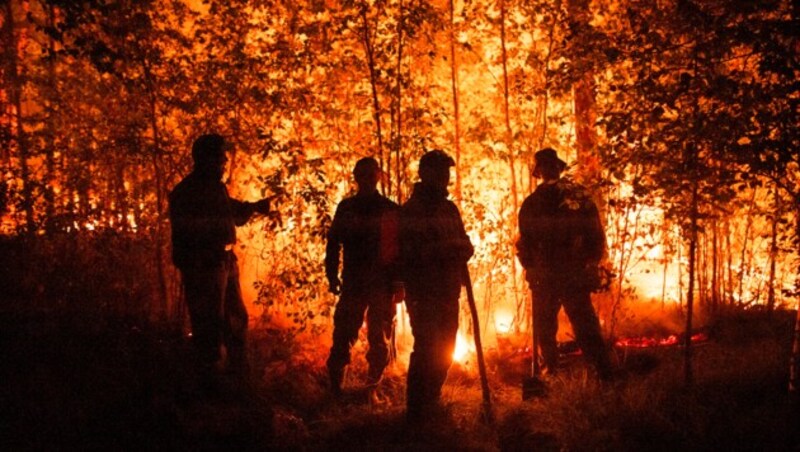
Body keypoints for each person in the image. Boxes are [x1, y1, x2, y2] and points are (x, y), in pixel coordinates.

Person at [168, 133, 275, 389]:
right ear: (205, 159)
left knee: (235, 318)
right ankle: (209, 384)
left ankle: (237, 377)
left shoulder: (215, 187)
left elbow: (232, 211)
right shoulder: (186, 193)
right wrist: (198, 265)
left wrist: (255, 207)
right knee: (209, 323)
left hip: (224, 261)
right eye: (220, 157)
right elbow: (185, 236)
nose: (225, 161)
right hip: (206, 265)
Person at [516, 147, 612, 380]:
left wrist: (590, 262)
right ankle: (552, 374)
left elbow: (595, 235)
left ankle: (602, 372)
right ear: (540, 171)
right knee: (546, 329)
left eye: (550, 166)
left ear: (556, 169)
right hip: (547, 275)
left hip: (570, 274)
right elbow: (524, 242)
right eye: (544, 166)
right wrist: (530, 267)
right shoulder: (533, 203)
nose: (548, 170)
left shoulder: (575, 199)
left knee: (584, 325)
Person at [399, 149, 473, 421]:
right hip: (424, 292)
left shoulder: (449, 209)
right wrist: (447, 248)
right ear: (424, 174)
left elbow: (464, 242)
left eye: (447, 171)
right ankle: (417, 410)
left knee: (445, 348)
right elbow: (410, 254)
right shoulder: (411, 211)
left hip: (448, 290)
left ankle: (432, 400)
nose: (445, 177)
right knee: (427, 348)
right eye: (440, 171)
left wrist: (462, 247)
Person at [324, 157, 401, 396]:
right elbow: (334, 242)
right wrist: (331, 274)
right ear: (357, 177)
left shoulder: (389, 209)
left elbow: (398, 249)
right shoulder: (348, 208)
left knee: (378, 340)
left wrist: (399, 283)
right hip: (355, 282)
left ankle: (371, 390)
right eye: (363, 175)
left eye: (370, 175)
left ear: (377, 176)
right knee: (344, 334)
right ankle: (337, 391)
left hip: (380, 284)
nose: (366, 179)